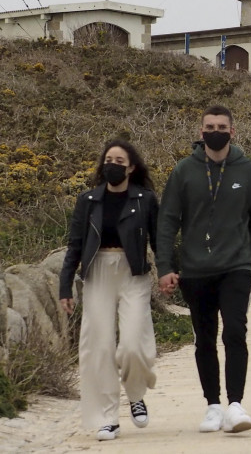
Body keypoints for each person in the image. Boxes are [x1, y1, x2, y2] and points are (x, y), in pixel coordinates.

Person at [156, 104, 251, 434]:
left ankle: (236, 405)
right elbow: (167, 221)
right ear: (200, 133)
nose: (215, 131)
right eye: (209, 126)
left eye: (222, 126)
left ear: (232, 132)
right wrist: (164, 266)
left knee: (235, 330)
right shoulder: (184, 171)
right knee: (204, 338)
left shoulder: (247, 171)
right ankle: (212, 405)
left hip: (237, 265)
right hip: (195, 269)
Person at [59, 139, 159, 442]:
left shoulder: (146, 198)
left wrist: (169, 271)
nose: (112, 165)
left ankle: (136, 393)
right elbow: (75, 244)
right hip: (98, 272)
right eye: (109, 160)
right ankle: (108, 418)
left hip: (133, 272)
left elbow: (159, 240)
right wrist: (66, 286)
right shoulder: (88, 200)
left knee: (132, 343)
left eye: (119, 161)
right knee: (99, 346)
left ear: (131, 167)